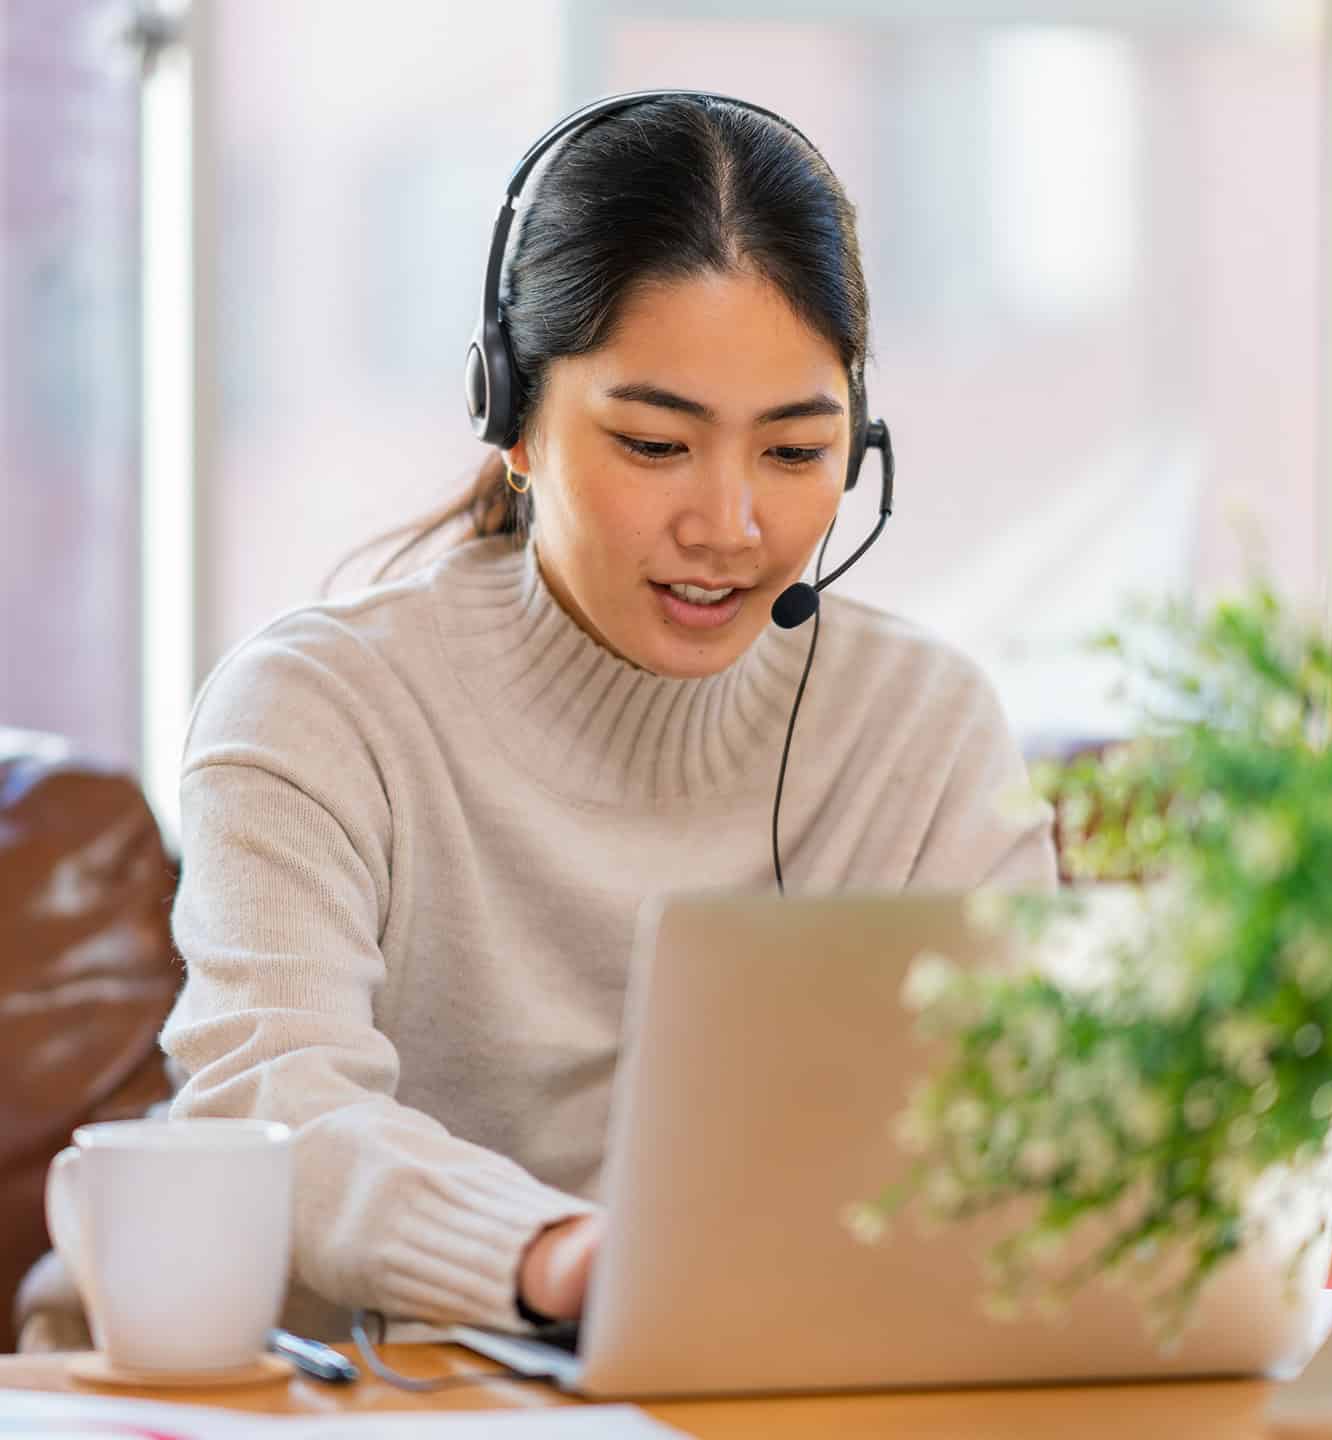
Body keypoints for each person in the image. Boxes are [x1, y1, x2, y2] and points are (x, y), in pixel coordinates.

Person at [151, 91, 1057, 1342]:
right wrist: (561, 1259)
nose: (730, 526)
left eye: (795, 455)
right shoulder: (318, 712)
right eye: (653, 445)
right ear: (514, 418)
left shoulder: (924, 728)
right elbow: (273, 1104)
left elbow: (1027, 1138)